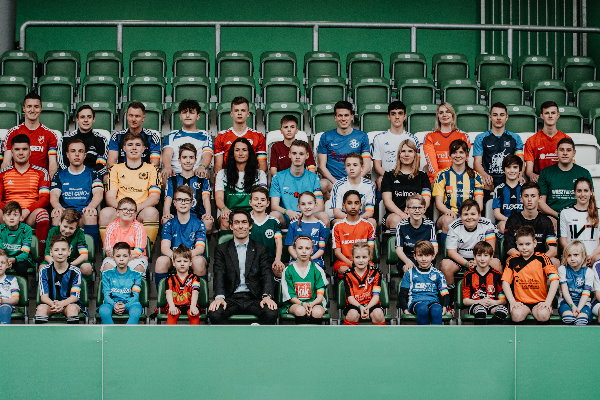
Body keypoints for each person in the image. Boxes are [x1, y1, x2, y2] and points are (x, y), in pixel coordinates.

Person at [208, 209, 278, 324]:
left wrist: (267, 296)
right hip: (231, 297)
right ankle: (232, 339)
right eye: (237, 222)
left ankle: (257, 337)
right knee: (215, 313)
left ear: (250, 225)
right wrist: (219, 297)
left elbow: (266, 274)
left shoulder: (261, 249)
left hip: (254, 297)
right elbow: (219, 274)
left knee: (271, 313)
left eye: (244, 222)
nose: (241, 226)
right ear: (231, 226)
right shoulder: (222, 249)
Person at [100, 132, 161, 243]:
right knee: (105, 213)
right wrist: (124, 210)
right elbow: (110, 197)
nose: (134, 148)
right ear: (123, 148)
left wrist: (135, 209)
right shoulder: (115, 169)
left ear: (143, 148)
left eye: (138, 145)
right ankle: (109, 251)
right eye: (130, 144)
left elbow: (154, 198)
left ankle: (145, 251)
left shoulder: (153, 169)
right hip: (120, 210)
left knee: (152, 212)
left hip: (140, 210)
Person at [0, 134, 50, 253]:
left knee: (43, 214)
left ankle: (40, 255)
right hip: (7, 214)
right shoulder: (3, 173)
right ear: (11, 152)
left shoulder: (41, 172)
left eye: (24, 149)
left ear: (30, 151)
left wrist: (27, 210)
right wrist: (10, 212)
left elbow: (45, 198)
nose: (21, 153)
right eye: (17, 149)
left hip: (29, 215)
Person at [502, 226, 560, 323]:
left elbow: (555, 280)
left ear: (534, 243)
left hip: (540, 302)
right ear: (516, 244)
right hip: (521, 303)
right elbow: (505, 282)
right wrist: (512, 302)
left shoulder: (543, 258)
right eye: (521, 244)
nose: (524, 247)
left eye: (528, 244)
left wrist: (548, 302)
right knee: (516, 315)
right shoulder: (512, 260)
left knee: (543, 315)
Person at [441, 199, 501, 292]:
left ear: (479, 215)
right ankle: (451, 297)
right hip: (461, 259)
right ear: (460, 216)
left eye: (473, 214)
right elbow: (451, 252)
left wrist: (477, 262)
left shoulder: (487, 224)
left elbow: (490, 249)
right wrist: (467, 263)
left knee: (496, 263)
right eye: (465, 214)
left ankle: (497, 293)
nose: (469, 217)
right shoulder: (454, 226)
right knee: (445, 265)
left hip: (482, 257)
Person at [50, 138, 104, 243]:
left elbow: (98, 194)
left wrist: (91, 207)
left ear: (85, 155)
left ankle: (90, 252)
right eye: (73, 151)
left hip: (83, 213)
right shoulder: (59, 174)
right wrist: (58, 207)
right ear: (67, 155)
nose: (77, 154)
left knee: (91, 214)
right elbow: (54, 196)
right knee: (56, 214)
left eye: (80, 151)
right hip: (66, 212)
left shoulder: (93, 173)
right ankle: (55, 249)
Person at [154, 185, 207, 288]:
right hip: (173, 256)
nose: (183, 203)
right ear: (174, 203)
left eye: (186, 200)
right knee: (161, 261)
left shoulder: (199, 223)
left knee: (199, 261)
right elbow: (164, 248)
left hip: (192, 256)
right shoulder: (169, 224)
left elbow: (200, 248)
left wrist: (184, 257)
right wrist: (177, 258)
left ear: (192, 203)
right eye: (179, 199)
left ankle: (200, 300)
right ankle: (164, 299)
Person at [317, 101, 371, 199]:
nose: (343, 119)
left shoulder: (362, 136)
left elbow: (367, 166)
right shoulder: (326, 137)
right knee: (321, 185)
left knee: (372, 185)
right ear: (335, 117)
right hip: (332, 181)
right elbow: (321, 166)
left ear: (352, 116)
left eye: (346, 115)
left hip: (355, 180)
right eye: (340, 115)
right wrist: (337, 183)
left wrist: (352, 182)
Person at [269, 139, 327, 227]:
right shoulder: (278, 177)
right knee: (273, 216)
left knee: (324, 216)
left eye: (301, 154)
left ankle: (322, 241)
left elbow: (320, 206)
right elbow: (274, 206)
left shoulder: (314, 178)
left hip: (308, 215)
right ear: (289, 155)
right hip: (287, 216)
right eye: (294, 153)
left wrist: (304, 214)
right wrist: (288, 212)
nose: (297, 157)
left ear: (307, 156)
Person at [1, 92, 59, 177]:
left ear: (41, 109)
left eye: (36, 107)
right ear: (23, 108)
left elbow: (53, 164)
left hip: (40, 182)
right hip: (18, 181)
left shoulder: (50, 134)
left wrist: (48, 184)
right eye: (29, 106)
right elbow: (6, 162)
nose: (32, 110)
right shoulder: (13, 133)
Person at [215, 137, 267, 230]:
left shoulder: (259, 174)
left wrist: (253, 214)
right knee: (225, 219)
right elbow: (219, 198)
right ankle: (227, 245)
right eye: (237, 150)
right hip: (230, 212)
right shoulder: (222, 174)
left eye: (244, 150)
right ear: (232, 153)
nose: (240, 153)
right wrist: (224, 209)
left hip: (252, 212)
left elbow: (262, 196)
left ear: (249, 153)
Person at [433, 139, 483, 234]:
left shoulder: (476, 176)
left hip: (469, 215)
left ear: (467, 155)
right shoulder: (442, 175)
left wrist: (467, 215)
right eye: (454, 152)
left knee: (473, 221)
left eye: (461, 152)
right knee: (448, 221)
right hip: (448, 215)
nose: (458, 156)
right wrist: (449, 212)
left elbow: (479, 205)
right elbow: (438, 203)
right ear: (450, 155)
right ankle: (447, 249)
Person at [504, 182, 559, 266]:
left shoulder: (546, 222)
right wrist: (526, 259)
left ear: (539, 198)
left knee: (555, 261)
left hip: (540, 261)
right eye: (526, 196)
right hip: (519, 259)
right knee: (510, 260)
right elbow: (509, 248)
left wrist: (536, 260)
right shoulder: (512, 220)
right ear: (521, 199)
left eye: (533, 196)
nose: (529, 199)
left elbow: (553, 250)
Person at [163, 143, 214, 233]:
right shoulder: (172, 180)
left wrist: (208, 214)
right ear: (179, 160)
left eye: (191, 158)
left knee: (208, 223)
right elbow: (168, 198)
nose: (188, 161)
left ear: (195, 160)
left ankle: (199, 245)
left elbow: (206, 198)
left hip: (197, 216)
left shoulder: (203, 180)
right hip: (176, 216)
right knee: (166, 221)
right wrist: (166, 214)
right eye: (184, 157)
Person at [473, 102, 524, 191]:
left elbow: (520, 161)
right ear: (490, 117)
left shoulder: (515, 138)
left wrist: (519, 175)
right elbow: (477, 163)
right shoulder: (480, 138)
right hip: (489, 179)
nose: (499, 118)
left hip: (509, 177)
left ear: (506, 117)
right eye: (495, 115)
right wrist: (484, 175)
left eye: (502, 115)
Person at [381, 139, 431, 230]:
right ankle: (396, 244)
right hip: (394, 214)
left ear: (415, 155)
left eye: (410, 151)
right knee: (396, 220)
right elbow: (387, 201)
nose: (406, 154)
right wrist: (402, 214)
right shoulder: (389, 175)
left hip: (417, 212)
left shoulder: (423, 176)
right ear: (399, 155)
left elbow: (426, 201)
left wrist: (415, 212)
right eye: (403, 151)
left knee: (422, 221)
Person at [538, 137, 592, 220]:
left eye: (568, 150)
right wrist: (558, 216)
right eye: (561, 150)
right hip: (552, 217)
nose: (565, 153)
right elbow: (541, 202)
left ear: (574, 152)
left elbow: (591, 199)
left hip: (578, 217)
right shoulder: (545, 173)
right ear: (556, 152)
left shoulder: (584, 173)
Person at [398, 240, 450, 325]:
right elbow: (402, 294)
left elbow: (445, 293)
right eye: (420, 255)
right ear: (414, 256)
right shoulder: (410, 273)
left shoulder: (438, 274)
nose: (423, 259)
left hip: (433, 302)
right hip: (416, 302)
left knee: (437, 309)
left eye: (427, 255)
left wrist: (444, 307)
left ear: (433, 256)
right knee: (423, 309)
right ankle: (423, 337)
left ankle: (437, 337)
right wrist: (405, 310)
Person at [161, 99, 213, 180]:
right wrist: (167, 167)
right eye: (184, 112)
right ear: (180, 116)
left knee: (204, 174)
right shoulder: (172, 135)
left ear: (198, 116)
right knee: (164, 175)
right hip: (176, 173)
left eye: (191, 112)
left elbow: (207, 154)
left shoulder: (205, 135)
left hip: (196, 173)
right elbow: (167, 153)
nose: (188, 115)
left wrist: (202, 167)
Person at [372, 101, 420, 189]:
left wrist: (405, 177)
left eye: (400, 113)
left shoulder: (412, 139)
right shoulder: (379, 138)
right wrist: (390, 177)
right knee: (380, 180)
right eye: (393, 114)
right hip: (387, 177)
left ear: (405, 116)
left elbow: (416, 163)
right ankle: (380, 203)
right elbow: (377, 166)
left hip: (408, 176)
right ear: (388, 116)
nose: (397, 117)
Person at [35, 235, 82, 324]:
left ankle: (73, 337)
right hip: (50, 304)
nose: (60, 253)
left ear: (69, 252)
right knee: (41, 308)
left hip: (69, 304)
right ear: (51, 252)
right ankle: (41, 337)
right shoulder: (44, 271)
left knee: (72, 309)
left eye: (63, 250)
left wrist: (62, 304)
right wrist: (55, 304)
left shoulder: (76, 272)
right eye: (56, 250)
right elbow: (44, 297)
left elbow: (74, 297)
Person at [281, 236, 328, 324]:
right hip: (295, 304)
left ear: (312, 251)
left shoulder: (317, 269)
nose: (304, 251)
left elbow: (320, 296)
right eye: (300, 248)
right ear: (294, 250)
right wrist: (303, 304)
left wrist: (312, 304)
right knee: (300, 310)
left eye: (307, 248)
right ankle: (300, 337)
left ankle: (315, 336)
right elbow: (291, 297)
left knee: (317, 312)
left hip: (315, 303)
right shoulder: (288, 270)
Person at [213, 96, 266, 173]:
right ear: (231, 114)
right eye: (236, 110)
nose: (240, 113)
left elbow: (262, 167)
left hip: (251, 177)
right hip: (229, 177)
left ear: (248, 114)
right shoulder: (221, 136)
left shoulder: (258, 136)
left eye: (243, 110)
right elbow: (218, 167)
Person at [461, 241, 508, 324]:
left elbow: (503, 300)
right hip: (476, 304)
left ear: (491, 257)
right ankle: (480, 335)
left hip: (493, 304)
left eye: (486, 255)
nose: (482, 259)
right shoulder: (468, 275)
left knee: (502, 310)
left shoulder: (497, 275)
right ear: (474, 257)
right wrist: (479, 301)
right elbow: (465, 301)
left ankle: (491, 332)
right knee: (480, 311)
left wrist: (494, 302)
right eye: (479, 255)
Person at [332, 190, 375, 278]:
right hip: (344, 261)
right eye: (349, 203)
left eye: (356, 203)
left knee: (372, 269)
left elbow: (370, 251)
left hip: (364, 260)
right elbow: (337, 252)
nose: (353, 206)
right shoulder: (338, 226)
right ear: (343, 206)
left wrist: (362, 262)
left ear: (360, 205)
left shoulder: (368, 225)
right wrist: (352, 264)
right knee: (343, 269)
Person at [524, 101, 570, 182]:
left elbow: (569, 165)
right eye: (546, 113)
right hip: (540, 181)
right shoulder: (531, 141)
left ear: (558, 115)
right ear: (541, 116)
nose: (550, 116)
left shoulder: (566, 139)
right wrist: (532, 175)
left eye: (553, 113)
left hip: (560, 180)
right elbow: (529, 170)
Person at [423, 102, 470, 182]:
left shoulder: (463, 136)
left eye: (447, 112)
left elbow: (464, 162)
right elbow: (432, 165)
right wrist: (440, 180)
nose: (444, 115)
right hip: (436, 179)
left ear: (452, 115)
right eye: (441, 113)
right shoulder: (429, 136)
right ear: (438, 116)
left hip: (458, 178)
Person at [98, 242, 143, 325]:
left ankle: (127, 335)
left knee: (136, 311)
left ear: (130, 257)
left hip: (131, 304)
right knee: (103, 310)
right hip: (111, 303)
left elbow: (136, 296)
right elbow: (106, 295)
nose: (121, 259)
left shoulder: (137, 275)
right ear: (113, 257)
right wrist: (114, 304)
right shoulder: (106, 274)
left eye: (125, 256)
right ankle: (111, 335)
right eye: (118, 256)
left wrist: (125, 305)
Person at [342, 242, 386, 325]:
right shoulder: (348, 274)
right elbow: (350, 298)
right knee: (352, 314)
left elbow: (376, 296)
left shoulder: (375, 273)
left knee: (378, 314)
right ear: (352, 258)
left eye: (364, 257)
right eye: (357, 257)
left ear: (369, 257)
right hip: (355, 305)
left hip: (371, 303)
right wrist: (360, 307)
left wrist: (367, 307)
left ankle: (380, 337)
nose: (361, 260)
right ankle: (348, 337)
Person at [101, 197, 148, 274]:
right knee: (107, 266)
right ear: (117, 212)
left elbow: (138, 251)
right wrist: (121, 256)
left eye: (131, 210)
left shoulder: (139, 227)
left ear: (135, 214)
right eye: (124, 209)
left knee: (138, 268)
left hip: (135, 258)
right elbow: (109, 251)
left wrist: (122, 255)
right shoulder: (111, 227)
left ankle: (135, 286)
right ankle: (111, 286)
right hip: (115, 258)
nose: (128, 212)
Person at [106, 102, 161, 168]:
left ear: (143, 118)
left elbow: (155, 164)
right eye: (131, 115)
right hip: (122, 175)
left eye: (137, 116)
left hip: (145, 175)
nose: (133, 119)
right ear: (126, 116)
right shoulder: (117, 136)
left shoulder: (152, 137)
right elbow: (111, 163)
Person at [59, 104, 109, 176]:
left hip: (92, 178)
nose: (86, 120)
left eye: (89, 117)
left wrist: (87, 177)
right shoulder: (65, 139)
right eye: (82, 117)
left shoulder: (101, 139)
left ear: (94, 119)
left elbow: (102, 165)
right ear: (77, 119)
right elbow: (63, 164)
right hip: (70, 178)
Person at [285, 192, 330, 270]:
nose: (307, 207)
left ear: (315, 205)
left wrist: (310, 259)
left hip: (315, 260)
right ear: (298, 207)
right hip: (296, 260)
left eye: (310, 203)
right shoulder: (293, 224)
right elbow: (290, 247)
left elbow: (321, 249)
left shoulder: (321, 225)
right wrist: (299, 259)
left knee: (313, 270)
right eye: (303, 204)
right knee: (292, 270)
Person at [559, 177, 600, 264]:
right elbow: (563, 239)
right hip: (573, 259)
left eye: (586, 190)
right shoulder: (565, 213)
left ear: (591, 191)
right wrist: (576, 256)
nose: (582, 194)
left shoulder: (598, 212)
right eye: (579, 191)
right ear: (574, 192)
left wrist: (591, 256)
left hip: (592, 258)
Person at [248, 186, 285, 278]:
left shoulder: (273, 221)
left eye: (263, 199)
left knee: (278, 272)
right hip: (249, 261)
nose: (259, 202)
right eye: (256, 199)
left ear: (268, 203)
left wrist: (277, 260)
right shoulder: (245, 220)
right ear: (250, 202)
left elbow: (278, 242)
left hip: (269, 261)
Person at [331, 153, 376, 226]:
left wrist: (358, 219)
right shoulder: (338, 185)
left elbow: (369, 212)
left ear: (362, 167)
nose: (351, 168)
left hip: (362, 217)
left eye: (355, 165)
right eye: (348, 165)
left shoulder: (369, 185)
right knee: (337, 222)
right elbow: (337, 212)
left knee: (372, 221)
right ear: (345, 168)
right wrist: (352, 219)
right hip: (343, 218)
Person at [395, 194, 437, 273]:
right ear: (407, 210)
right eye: (414, 207)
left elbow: (434, 247)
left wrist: (427, 260)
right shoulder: (401, 226)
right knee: (408, 270)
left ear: (424, 210)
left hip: (426, 258)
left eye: (420, 207)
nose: (417, 210)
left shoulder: (430, 225)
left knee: (426, 270)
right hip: (407, 258)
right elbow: (399, 249)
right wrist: (407, 261)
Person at [44, 209, 92, 277]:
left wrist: (69, 265)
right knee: (42, 268)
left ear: (76, 227)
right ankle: (48, 287)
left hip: (74, 260)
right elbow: (47, 255)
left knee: (87, 267)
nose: (67, 230)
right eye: (65, 226)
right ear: (60, 222)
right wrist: (57, 265)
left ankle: (85, 286)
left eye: (71, 228)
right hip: (55, 261)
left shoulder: (79, 233)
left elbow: (84, 256)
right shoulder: (53, 232)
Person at [558, 240, 593, 326]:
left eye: (576, 255)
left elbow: (586, 293)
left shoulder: (588, 272)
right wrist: (573, 306)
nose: (572, 258)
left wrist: (578, 309)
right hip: (566, 302)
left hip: (584, 303)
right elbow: (565, 291)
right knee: (568, 318)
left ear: (583, 256)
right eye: (569, 255)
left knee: (582, 320)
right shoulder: (562, 269)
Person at [164, 245, 202, 325]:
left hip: (190, 304)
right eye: (179, 261)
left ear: (190, 263)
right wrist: (171, 306)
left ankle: (196, 336)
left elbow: (195, 292)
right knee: (172, 313)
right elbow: (169, 293)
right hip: (175, 304)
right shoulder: (170, 278)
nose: (182, 264)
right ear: (173, 263)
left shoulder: (195, 278)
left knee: (194, 314)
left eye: (185, 261)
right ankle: (170, 336)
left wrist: (193, 306)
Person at [492, 155, 524, 234]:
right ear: (504, 170)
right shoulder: (499, 189)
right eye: (509, 167)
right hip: (504, 221)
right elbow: (497, 213)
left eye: (515, 167)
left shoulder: (524, 189)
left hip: (522, 221)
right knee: (503, 226)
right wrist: (510, 220)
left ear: (520, 170)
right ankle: (508, 246)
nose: (512, 170)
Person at [0, 202, 33, 275]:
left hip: (21, 259)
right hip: (4, 258)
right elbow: (1, 251)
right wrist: (5, 261)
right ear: (3, 218)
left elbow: (25, 253)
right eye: (8, 215)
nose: (11, 218)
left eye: (15, 215)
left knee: (21, 267)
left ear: (21, 217)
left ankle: (22, 285)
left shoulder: (26, 229)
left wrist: (13, 260)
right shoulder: (1, 230)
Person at [0, 249, 19, 324]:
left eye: (3, 262)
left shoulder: (12, 280)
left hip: (6, 305)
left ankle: (3, 333)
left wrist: (2, 301)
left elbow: (15, 299)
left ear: (8, 265)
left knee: (4, 308)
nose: (0, 265)